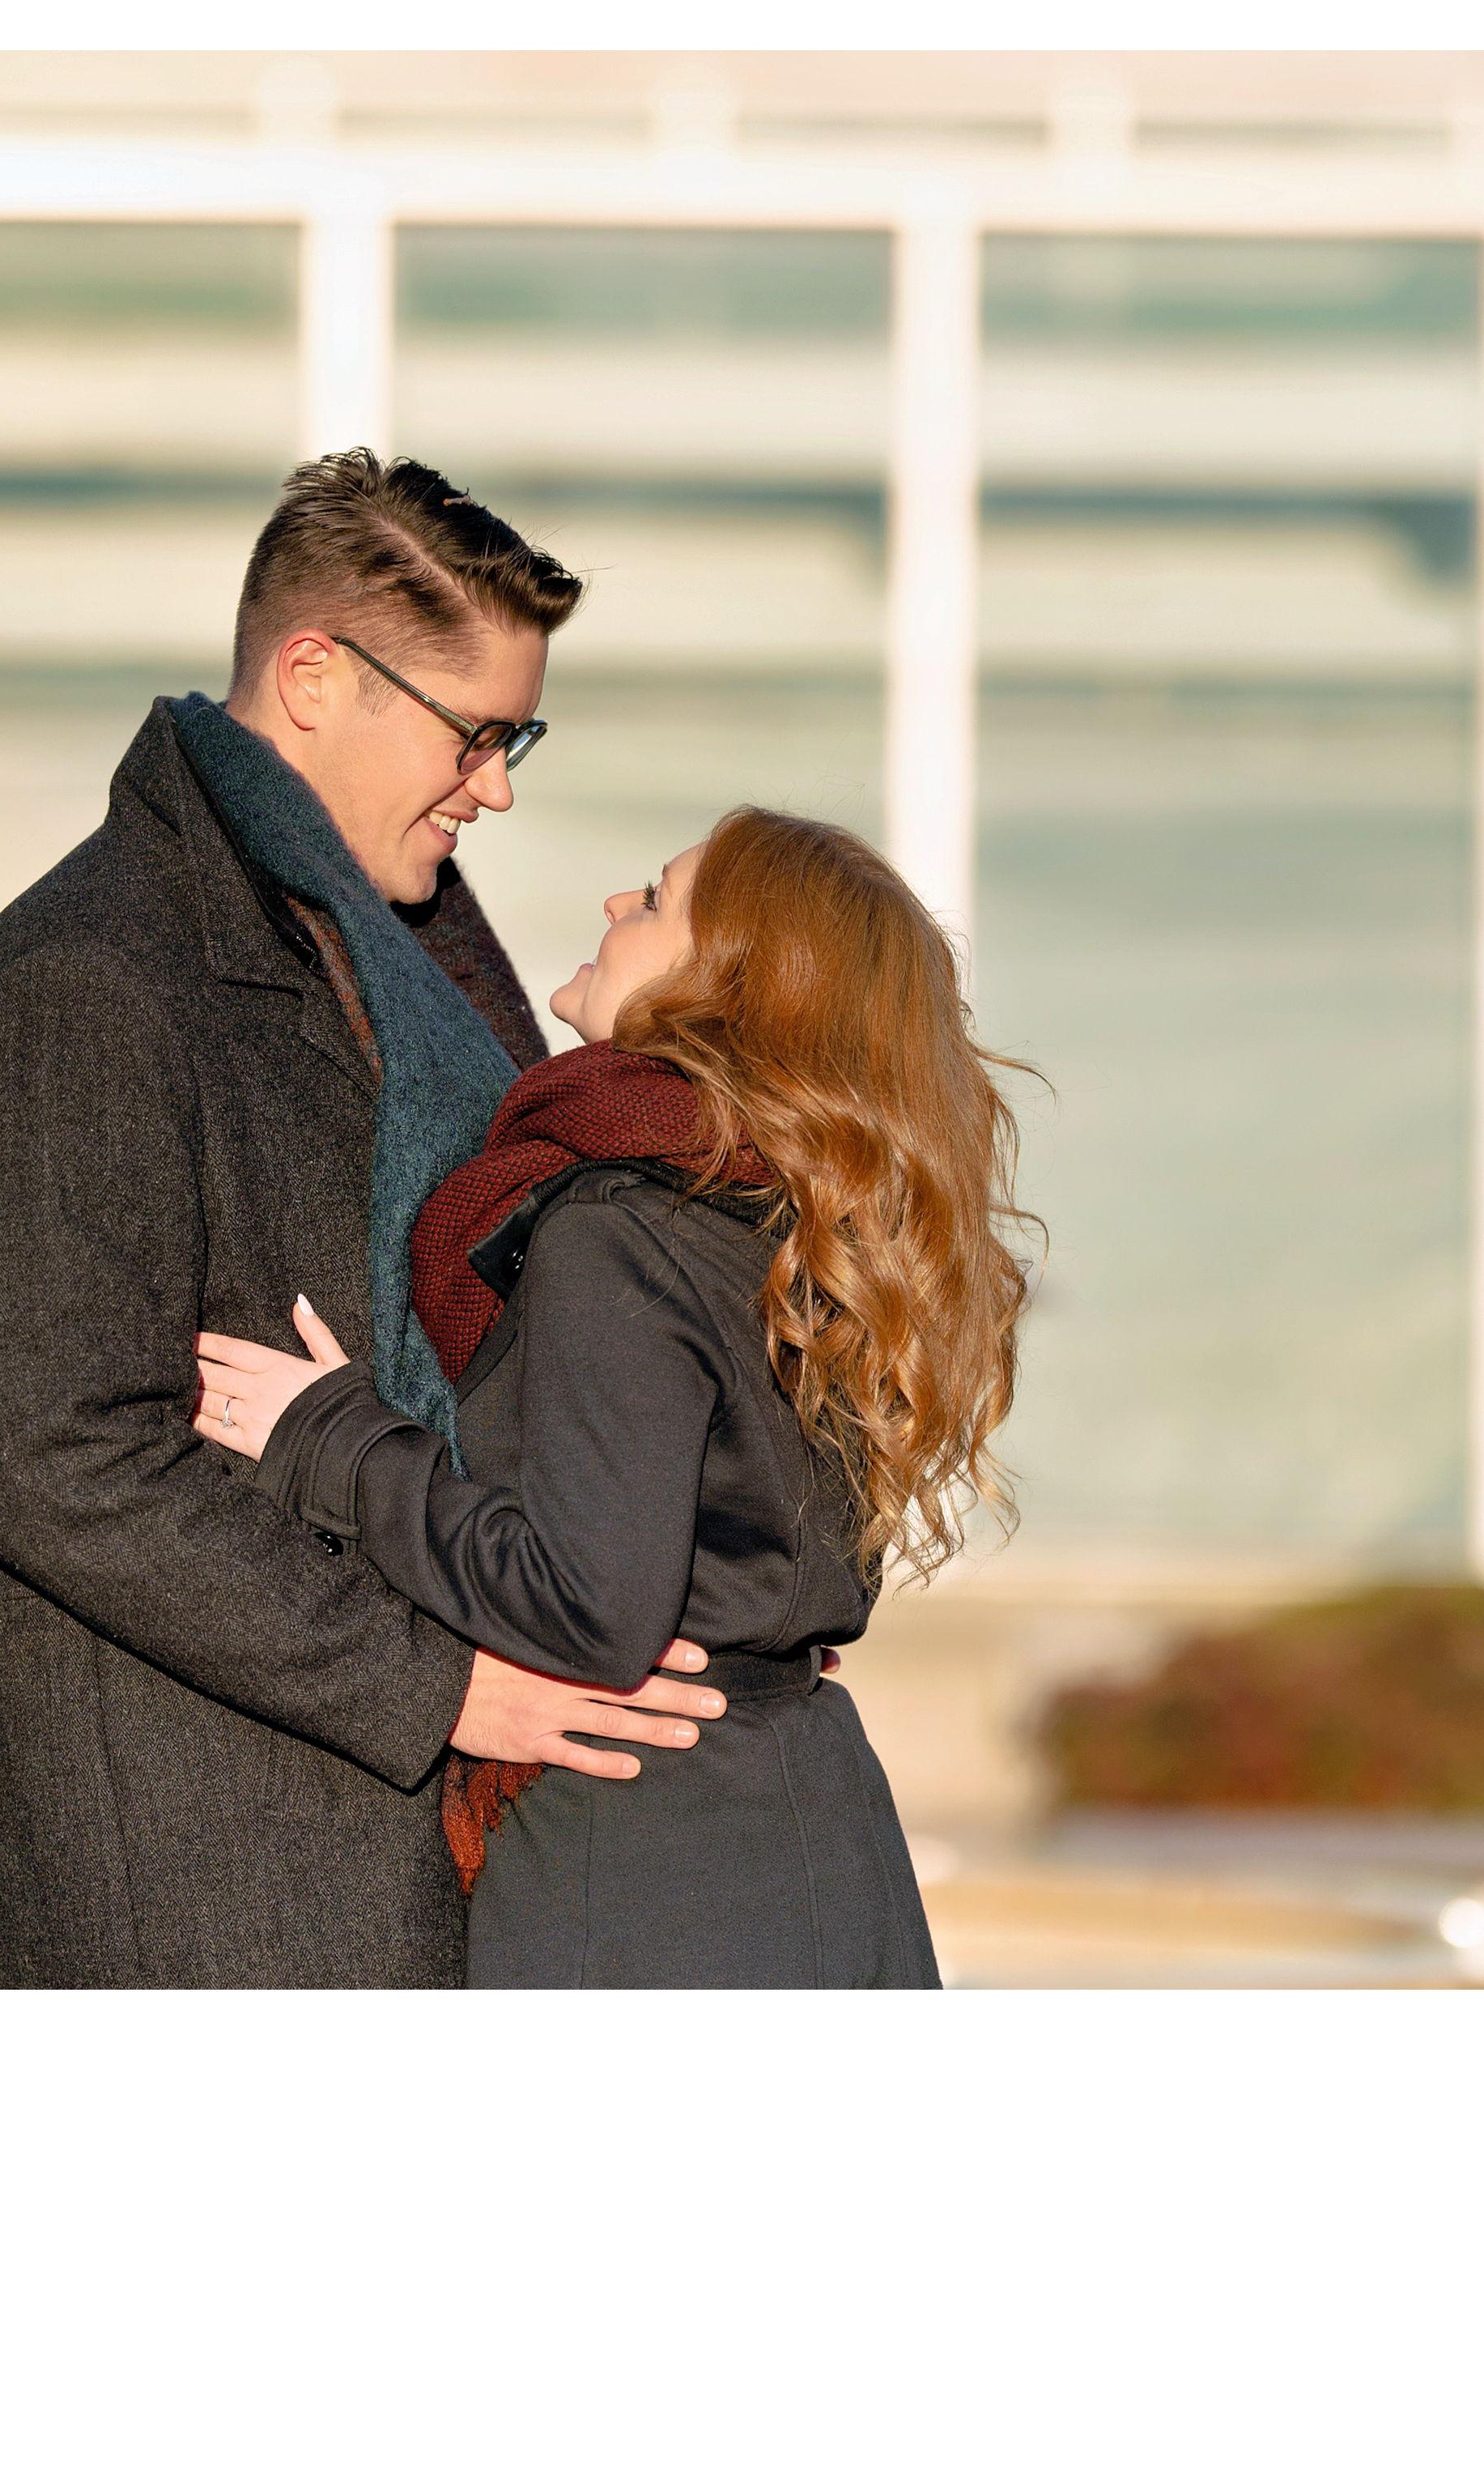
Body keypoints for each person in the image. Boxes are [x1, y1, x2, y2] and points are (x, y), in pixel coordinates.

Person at [0, 450, 728, 1988]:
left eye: (517, 739)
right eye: (475, 735)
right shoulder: (84, 984)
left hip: (411, 1845)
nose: (496, 786)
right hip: (211, 1871)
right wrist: (445, 1686)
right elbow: (56, 1456)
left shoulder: (400, 965)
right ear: (311, 678)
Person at [194, 807, 1034, 1987]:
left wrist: (334, 1440)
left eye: (651, 900)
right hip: (811, 1820)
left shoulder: (622, 1228)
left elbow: (588, 1611)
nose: (611, 907)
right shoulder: (800, 1225)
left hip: (656, 1866)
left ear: (725, 986)